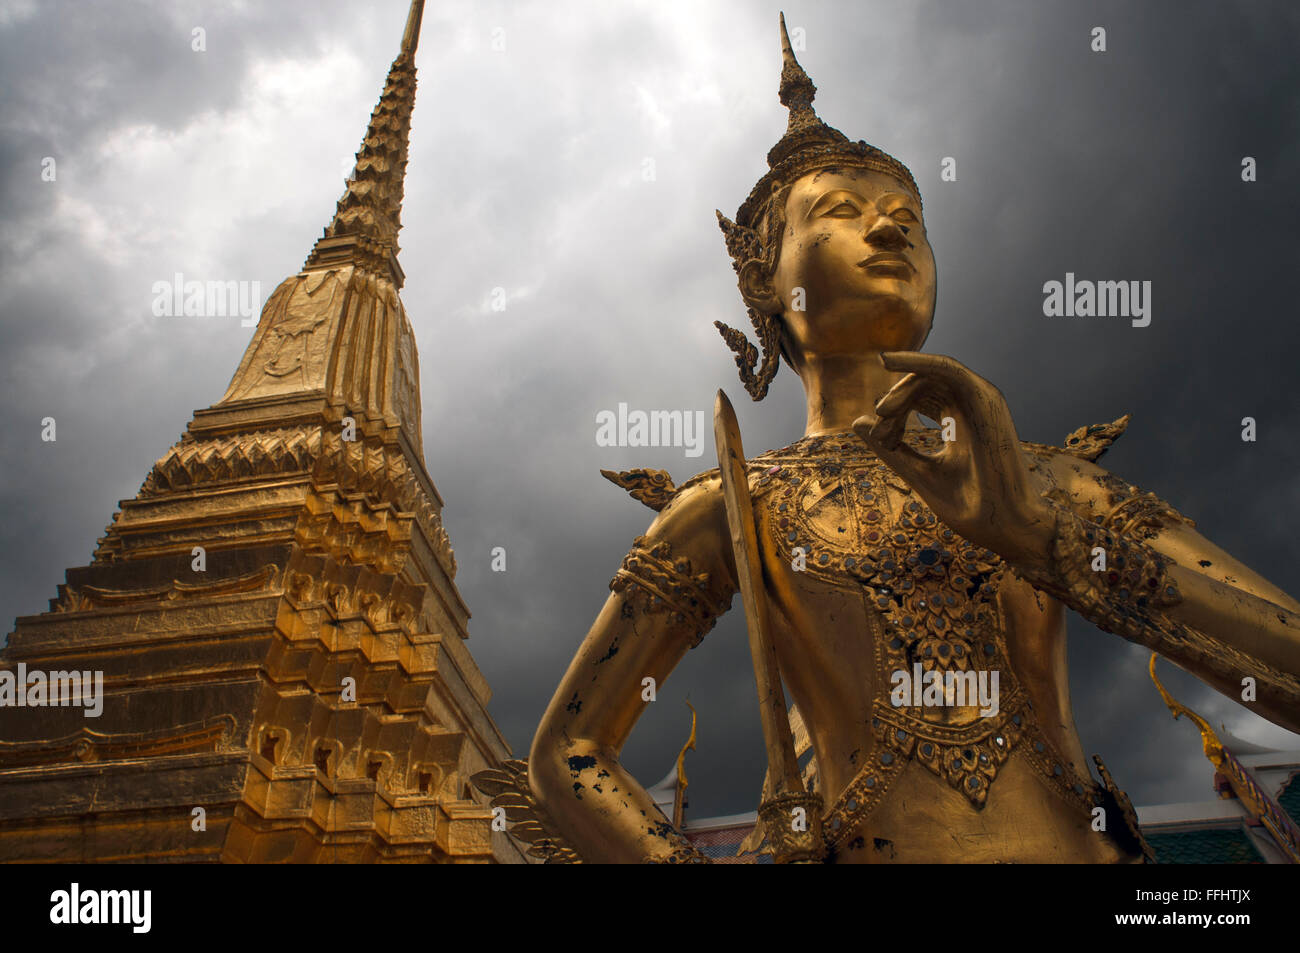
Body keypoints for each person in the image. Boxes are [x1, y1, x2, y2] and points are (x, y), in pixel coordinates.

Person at [527, 15, 1300, 863]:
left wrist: (1044, 539)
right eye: (840, 212)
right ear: (765, 278)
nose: (891, 229)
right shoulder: (738, 503)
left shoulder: (1044, 483)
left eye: (909, 215)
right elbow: (568, 752)